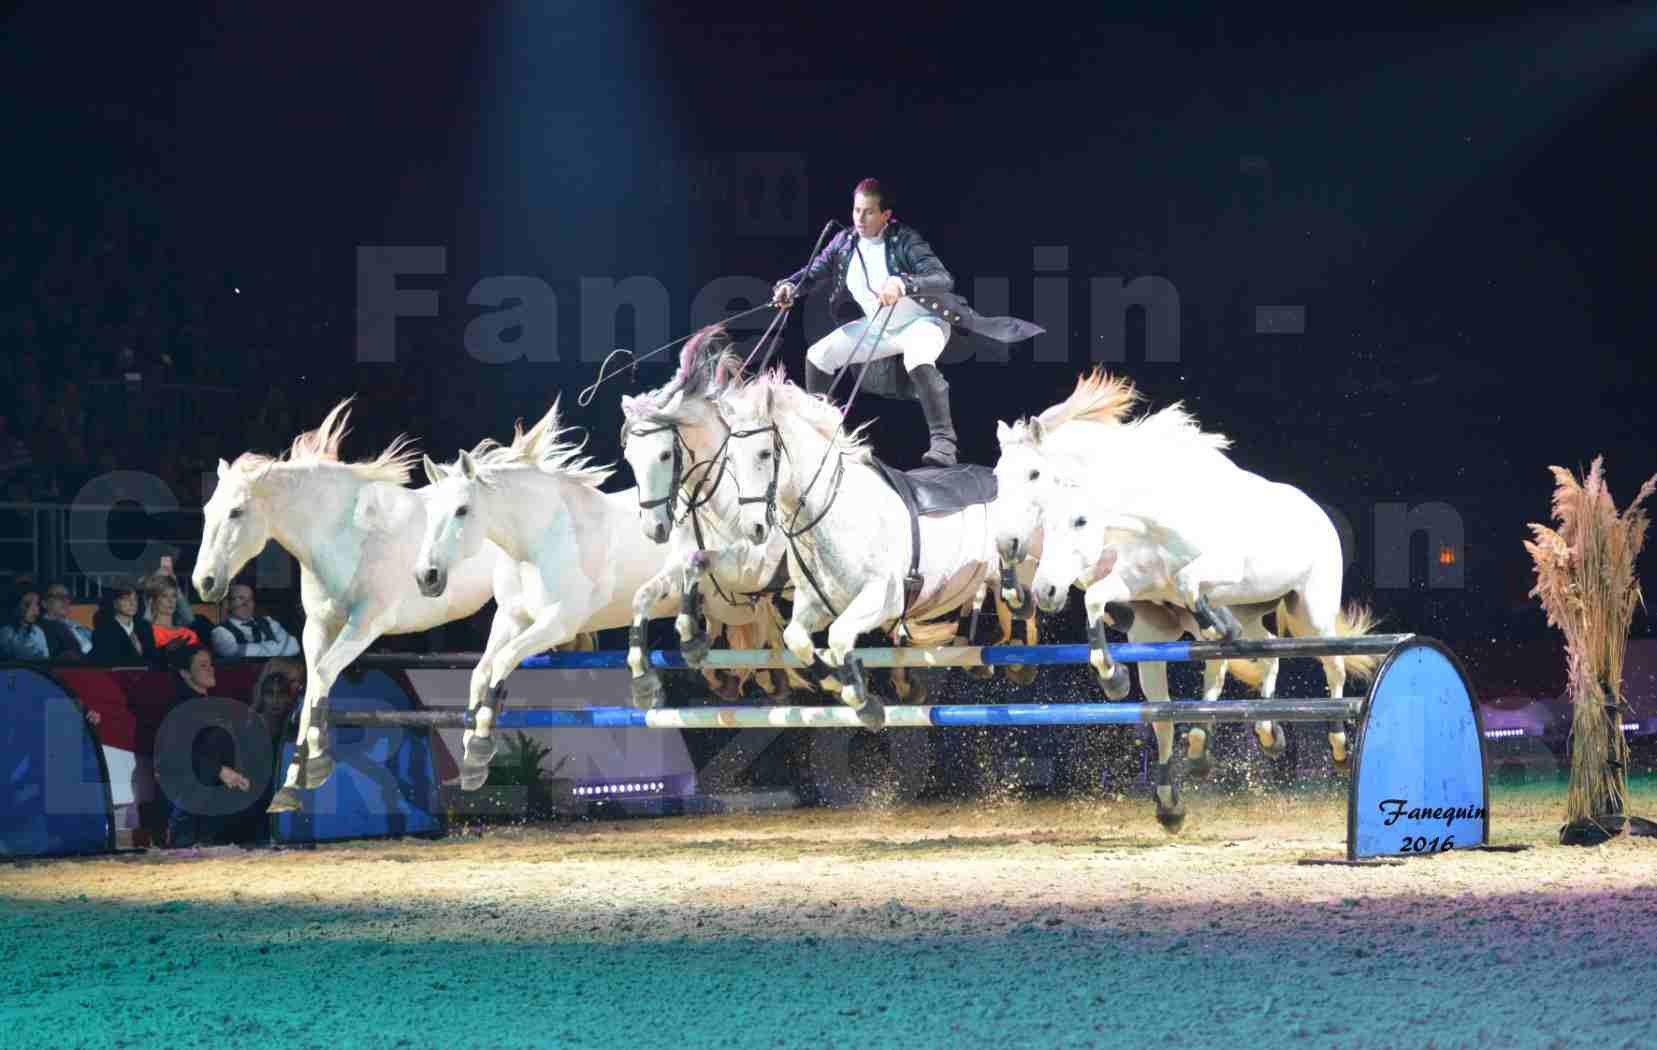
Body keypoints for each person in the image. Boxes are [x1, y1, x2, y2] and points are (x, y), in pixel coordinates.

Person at [772, 177, 1042, 467]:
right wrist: (790, 286)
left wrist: (903, 284)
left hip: (923, 323)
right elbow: (812, 273)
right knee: (818, 355)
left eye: (869, 212)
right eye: (856, 210)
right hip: (880, 327)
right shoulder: (844, 243)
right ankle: (820, 433)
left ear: (886, 215)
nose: (859, 219)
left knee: (918, 358)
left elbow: (942, 278)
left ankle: (944, 443)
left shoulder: (905, 240)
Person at [210, 583, 300, 660]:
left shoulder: (268, 621)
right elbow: (238, 653)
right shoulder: (219, 632)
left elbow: (294, 647)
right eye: (241, 598)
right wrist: (276, 646)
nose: (247, 604)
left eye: (250, 599)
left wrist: (251, 648)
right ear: (227, 604)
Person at [89, 579, 159, 667]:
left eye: (135, 599)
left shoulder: (145, 627)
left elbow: (154, 658)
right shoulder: (103, 632)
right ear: (114, 603)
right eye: (126, 599)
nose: (132, 603)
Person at [38, 581, 94, 661]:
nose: (65, 600)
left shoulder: (74, 624)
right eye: (58, 596)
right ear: (44, 603)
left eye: (67, 597)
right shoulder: (43, 628)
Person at [0, 587, 49, 660]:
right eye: (27, 604)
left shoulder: (38, 631)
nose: (34, 609)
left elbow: (45, 657)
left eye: (36, 604)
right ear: (15, 606)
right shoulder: (6, 632)